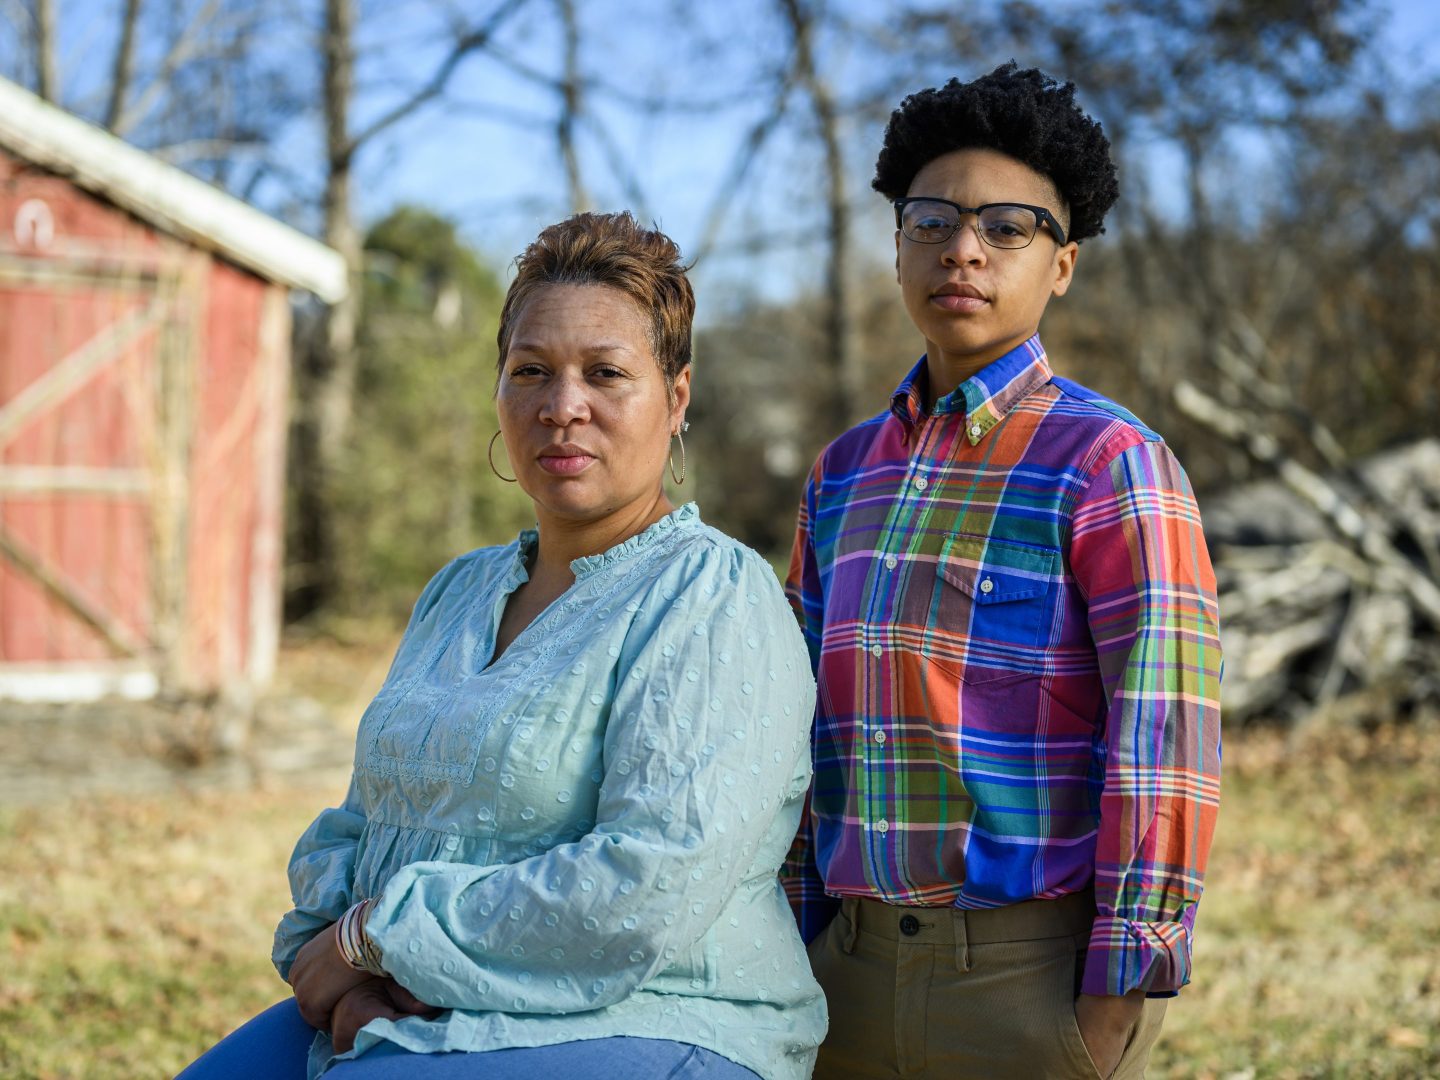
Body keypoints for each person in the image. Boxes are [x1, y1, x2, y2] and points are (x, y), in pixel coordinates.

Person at [180, 211, 825, 1080]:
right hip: (413, 1000)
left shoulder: (712, 596)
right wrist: (337, 961)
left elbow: (649, 886)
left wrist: (377, 939)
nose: (563, 407)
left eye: (606, 373)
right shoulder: (459, 590)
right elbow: (363, 818)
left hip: (656, 1017)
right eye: (531, 371)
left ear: (676, 399)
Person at [781, 63, 1222, 1080]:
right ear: (898, 246)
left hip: (1027, 981)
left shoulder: (1110, 464)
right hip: (839, 972)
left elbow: (1164, 739)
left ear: (1061, 265)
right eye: (931, 221)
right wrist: (796, 933)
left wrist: (1115, 997)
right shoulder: (842, 475)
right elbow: (800, 727)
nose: (963, 250)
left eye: (1008, 228)